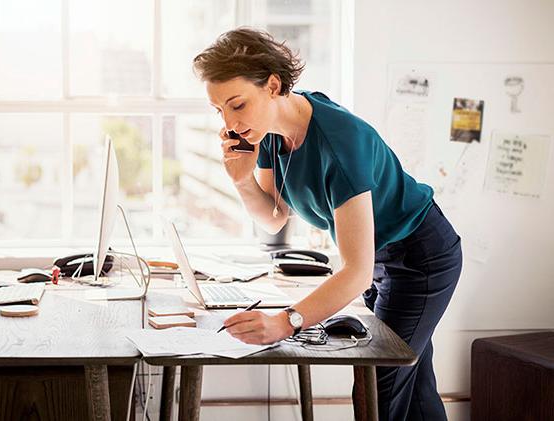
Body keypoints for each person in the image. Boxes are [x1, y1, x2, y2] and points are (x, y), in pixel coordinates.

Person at [192, 28, 462, 421]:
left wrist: (286, 323)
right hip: (383, 257)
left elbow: (356, 272)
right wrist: (242, 180)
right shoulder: (269, 132)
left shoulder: (339, 142)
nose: (230, 124)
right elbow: (273, 217)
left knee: (380, 387)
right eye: (220, 111)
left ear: (272, 85)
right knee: (413, 387)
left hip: (419, 255)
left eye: (237, 105)